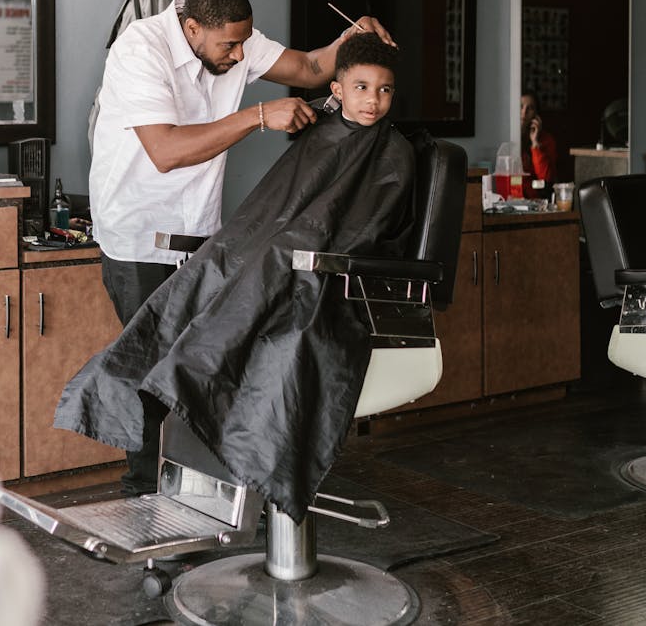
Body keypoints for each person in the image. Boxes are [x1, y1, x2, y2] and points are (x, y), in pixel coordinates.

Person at [60, 33, 414, 520]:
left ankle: (182, 383)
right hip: (247, 253)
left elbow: (360, 227)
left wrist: (288, 251)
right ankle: (160, 476)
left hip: (325, 282)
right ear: (339, 89)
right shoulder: (143, 50)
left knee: (235, 306)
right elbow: (269, 201)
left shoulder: (394, 154)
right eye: (361, 87)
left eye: (384, 90)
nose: (372, 100)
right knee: (191, 298)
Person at [520, 90, 556, 189]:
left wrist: (535, 144)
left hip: (536, 199)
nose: (524, 112)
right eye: (520, 107)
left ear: (536, 114)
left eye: (530, 108)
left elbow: (546, 179)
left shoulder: (546, 140)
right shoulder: (507, 137)